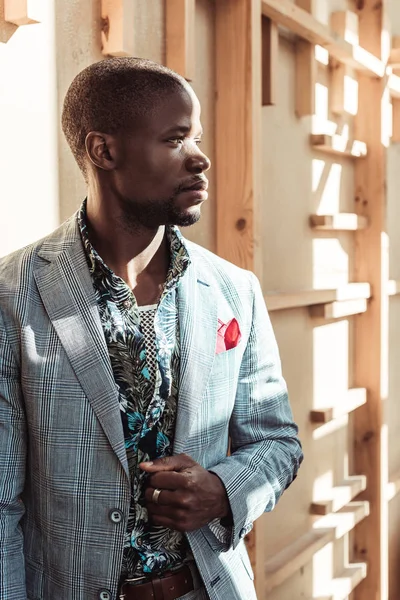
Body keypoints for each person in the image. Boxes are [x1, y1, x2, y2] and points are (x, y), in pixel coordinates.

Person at [0, 57, 303, 600]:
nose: (201, 158)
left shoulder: (235, 290)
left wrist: (223, 490)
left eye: (198, 137)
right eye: (175, 140)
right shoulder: (12, 296)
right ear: (105, 151)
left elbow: (277, 442)